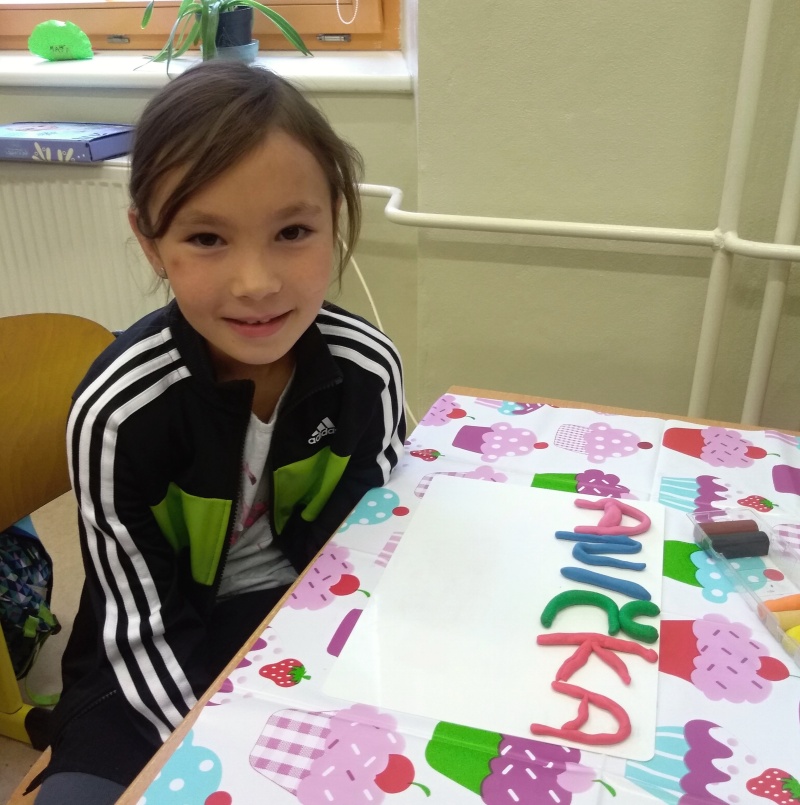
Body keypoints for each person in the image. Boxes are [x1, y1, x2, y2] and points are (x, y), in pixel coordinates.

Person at [33, 60, 406, 804]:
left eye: (292, 231)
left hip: (309, 623)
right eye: (207, 238)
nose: (256, 283)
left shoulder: (367, 369)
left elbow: (371, 547)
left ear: (335, 218)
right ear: (151, 243)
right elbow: (139, 625)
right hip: (146, 660)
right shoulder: (119, 411)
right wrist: (218, 755)